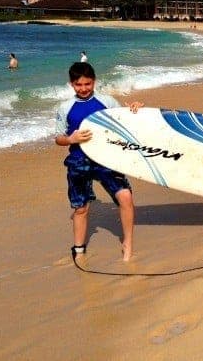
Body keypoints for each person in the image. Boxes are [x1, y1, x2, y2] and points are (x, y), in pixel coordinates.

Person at [54, 62, 143, 261]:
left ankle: (127, 244)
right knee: (81, 208)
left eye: (87, 84)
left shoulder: (107, 102)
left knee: (126, 198)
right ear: (71, 84)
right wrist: (70, 139)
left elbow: (126, 120)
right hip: (78, 161)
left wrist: (135, 109)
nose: (84, 88)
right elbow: (58, 138)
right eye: (79, 85)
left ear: (94, 81)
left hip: (106, 158)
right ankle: (78, 249)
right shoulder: (65, 108)